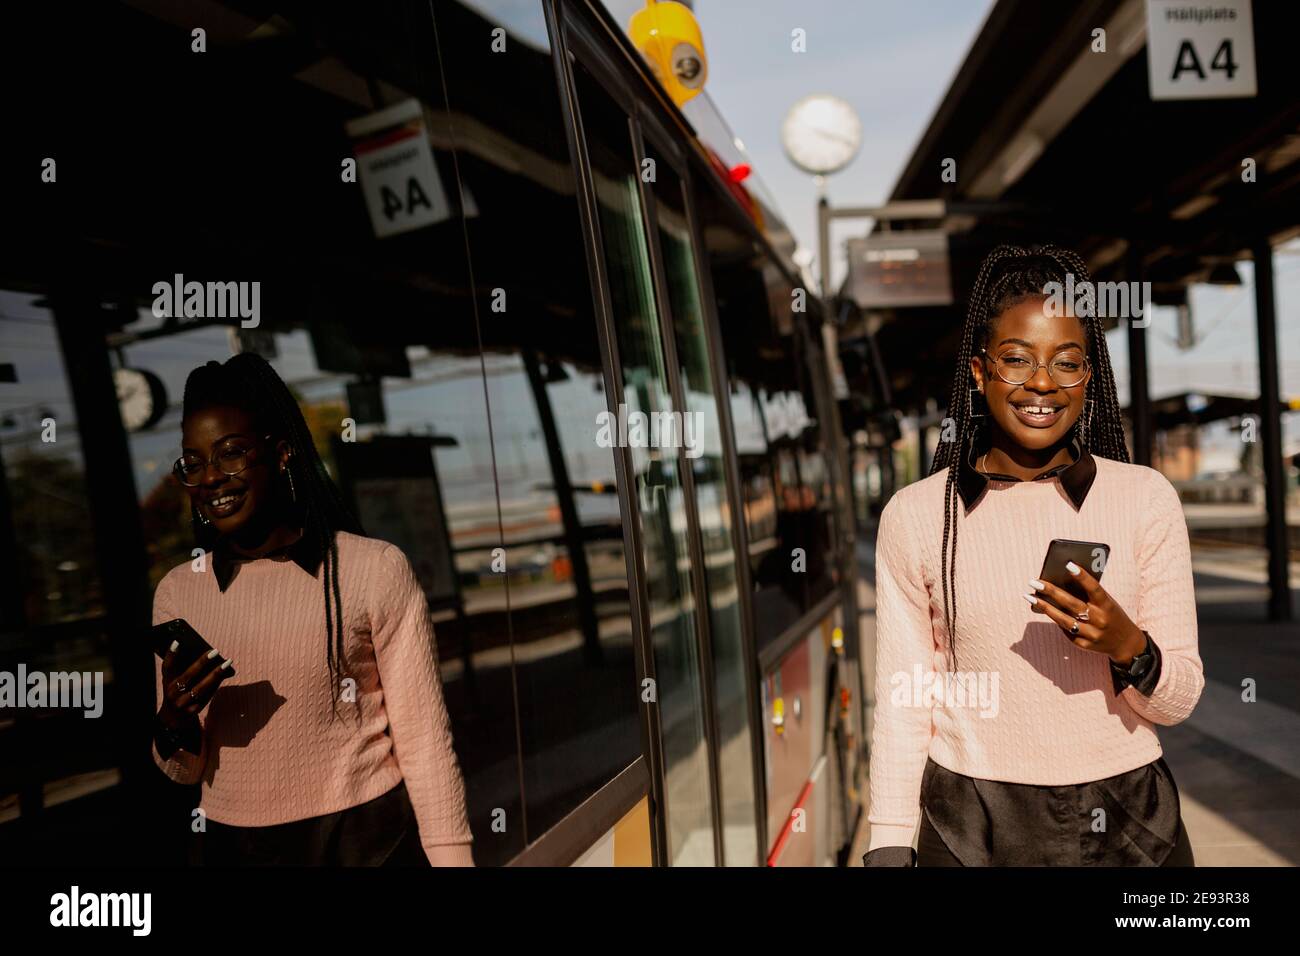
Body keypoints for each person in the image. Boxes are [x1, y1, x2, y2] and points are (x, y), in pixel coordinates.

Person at [863, 245, 1204, 866]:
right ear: (979, 370)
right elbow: (904, 694)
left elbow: (1178, 702)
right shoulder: (916, 516)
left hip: (1126, 819)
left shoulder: (1144, 498)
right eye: (1016, 359)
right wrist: (888, 836)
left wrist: (1128, 646)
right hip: (971, 822)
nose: (1042, 382)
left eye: (1066, 363)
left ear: (1088, 377)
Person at [151, 353, 473, 866]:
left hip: (365, 844)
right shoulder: (177, 593)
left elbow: (426, 745)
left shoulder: (373, 570)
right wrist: (173, 719)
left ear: (281, 454)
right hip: (235, 850)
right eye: (194, 462)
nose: (210, 477)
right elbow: (184, 770)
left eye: (231, 453)